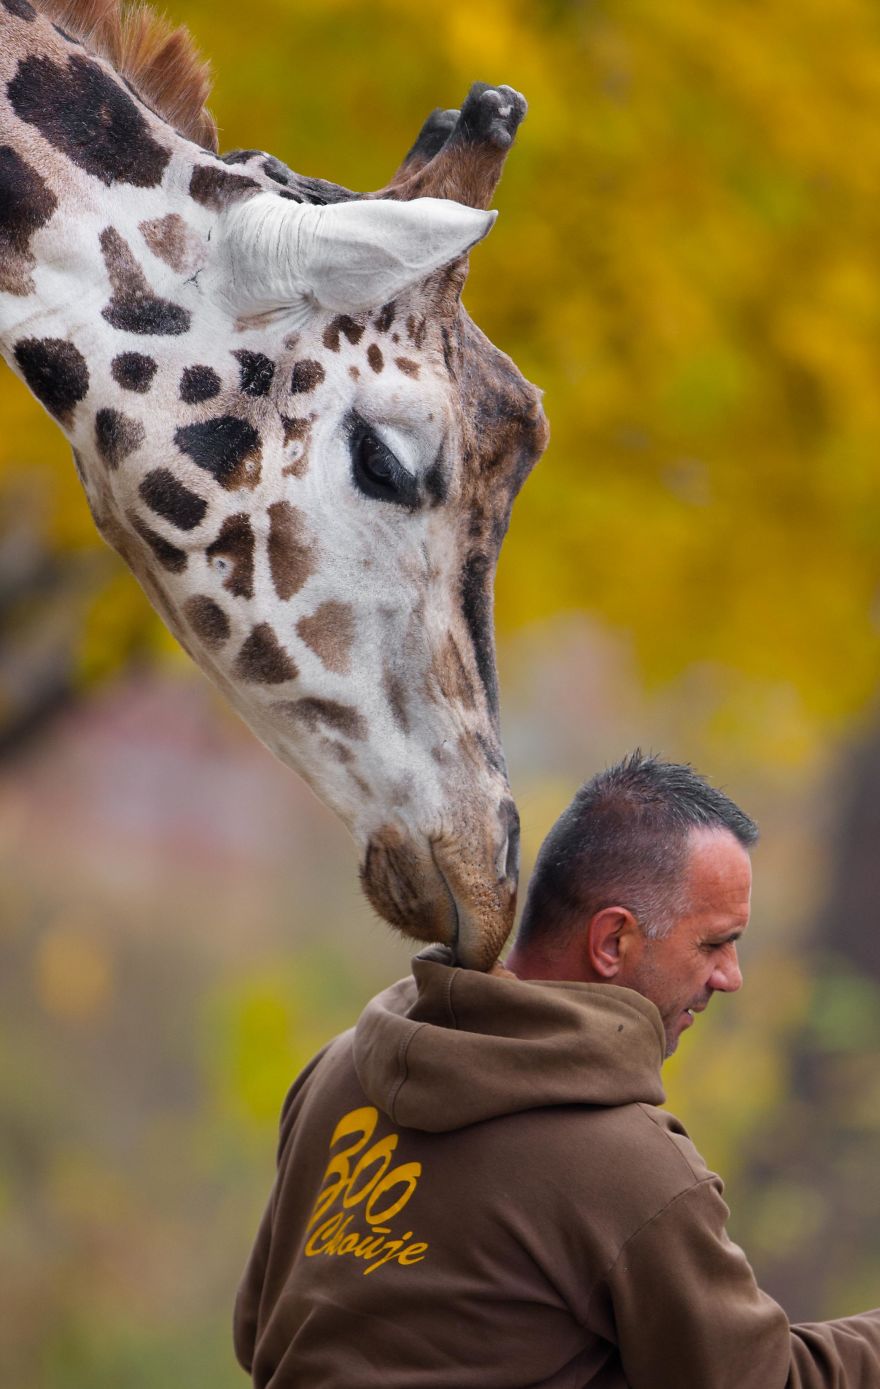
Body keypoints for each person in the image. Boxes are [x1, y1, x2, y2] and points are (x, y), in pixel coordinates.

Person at [234, 752, 880, 1387]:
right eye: (714, 943)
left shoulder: (335, 1070)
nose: (730, 977)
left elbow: (256, 1329)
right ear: (612, 941)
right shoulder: (627, 1167)